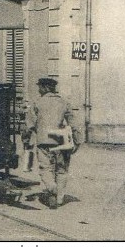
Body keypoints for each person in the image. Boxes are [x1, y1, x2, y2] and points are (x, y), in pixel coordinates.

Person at [25, 77, 78, 209]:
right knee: (61, 169)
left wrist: (26, 140)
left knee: (45, 168)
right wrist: (77, 141)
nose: (38, 89)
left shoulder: (37, 103)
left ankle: (52, 188)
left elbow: (29, 125)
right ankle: (59, 198)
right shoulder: (64, 102)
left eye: (40, 87)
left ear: (44, 88)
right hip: (61, 140)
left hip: (43, 141)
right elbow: (74, 124)